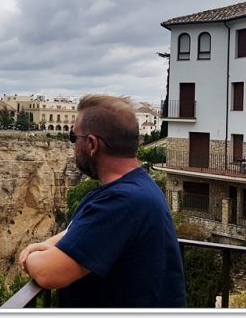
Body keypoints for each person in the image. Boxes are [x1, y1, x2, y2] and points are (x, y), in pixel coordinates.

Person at [18, 94, 186, 307]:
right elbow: (76, 232)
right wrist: (45, 245)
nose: (73, 146)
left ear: (91, 144)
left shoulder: (121, 202)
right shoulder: (139, 188)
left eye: (73, 138)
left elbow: (48, 273)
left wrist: (29, 257)